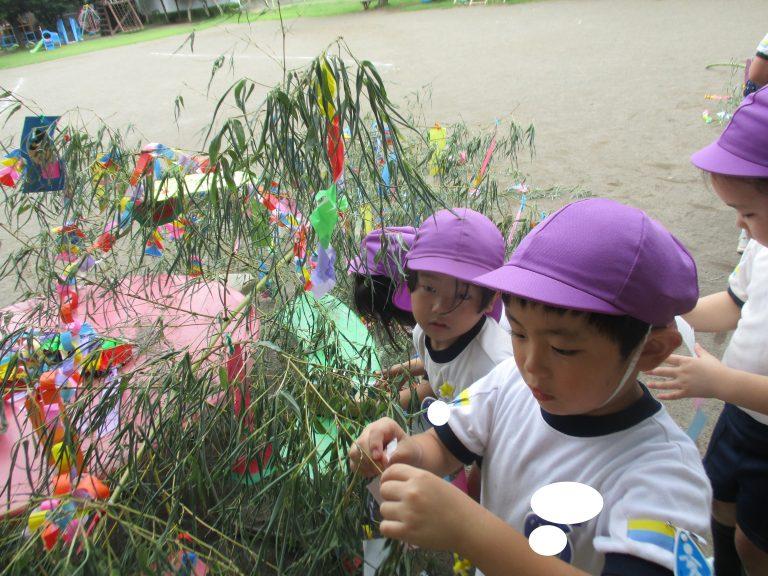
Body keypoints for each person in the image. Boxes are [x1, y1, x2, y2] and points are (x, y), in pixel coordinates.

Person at [349, 198, 711, 576]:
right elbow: (443, 444)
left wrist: (470, 530)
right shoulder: (509, 383)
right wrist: (404, 452)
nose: (531, 364)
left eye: (562, 348)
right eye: (518, 333)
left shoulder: (665, 475)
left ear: (649, 352)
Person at [647, 87, 768, 576]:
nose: (741, 226)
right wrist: (675, 306)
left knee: (755, 542)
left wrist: (718, 382)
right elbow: (734, 307)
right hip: (741, 419)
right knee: (718, 501)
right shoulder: (762, 248)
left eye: (749, 213)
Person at [389, 208, 513, 411]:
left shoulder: (496, 370)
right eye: (429, 288)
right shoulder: (422, 333)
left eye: (462, 296)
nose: (439, 308)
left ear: (491, 300)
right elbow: (443, 381)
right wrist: (402, 371)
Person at [349, 226, 424, 381]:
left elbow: (440, 380)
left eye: (387, 315)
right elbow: (433, 364)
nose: (389, 322)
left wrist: (374, 404)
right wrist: (393, 372)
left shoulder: (443, 324)